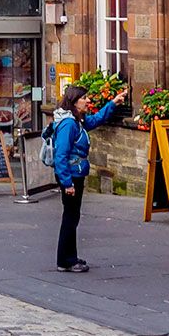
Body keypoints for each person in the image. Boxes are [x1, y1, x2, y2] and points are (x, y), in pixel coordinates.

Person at [49, 84, 123, 273]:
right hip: (71, 175)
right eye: (84, 98)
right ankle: (66, 260)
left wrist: (113, 103)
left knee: (72, 216)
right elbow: (61, 155)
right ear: (74, 102)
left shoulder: (76, 120)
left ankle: (68, 257)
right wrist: (67, 183)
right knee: (70, 217)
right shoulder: (68, 124)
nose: (88, 101)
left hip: (75, 173)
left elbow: (96, 120)